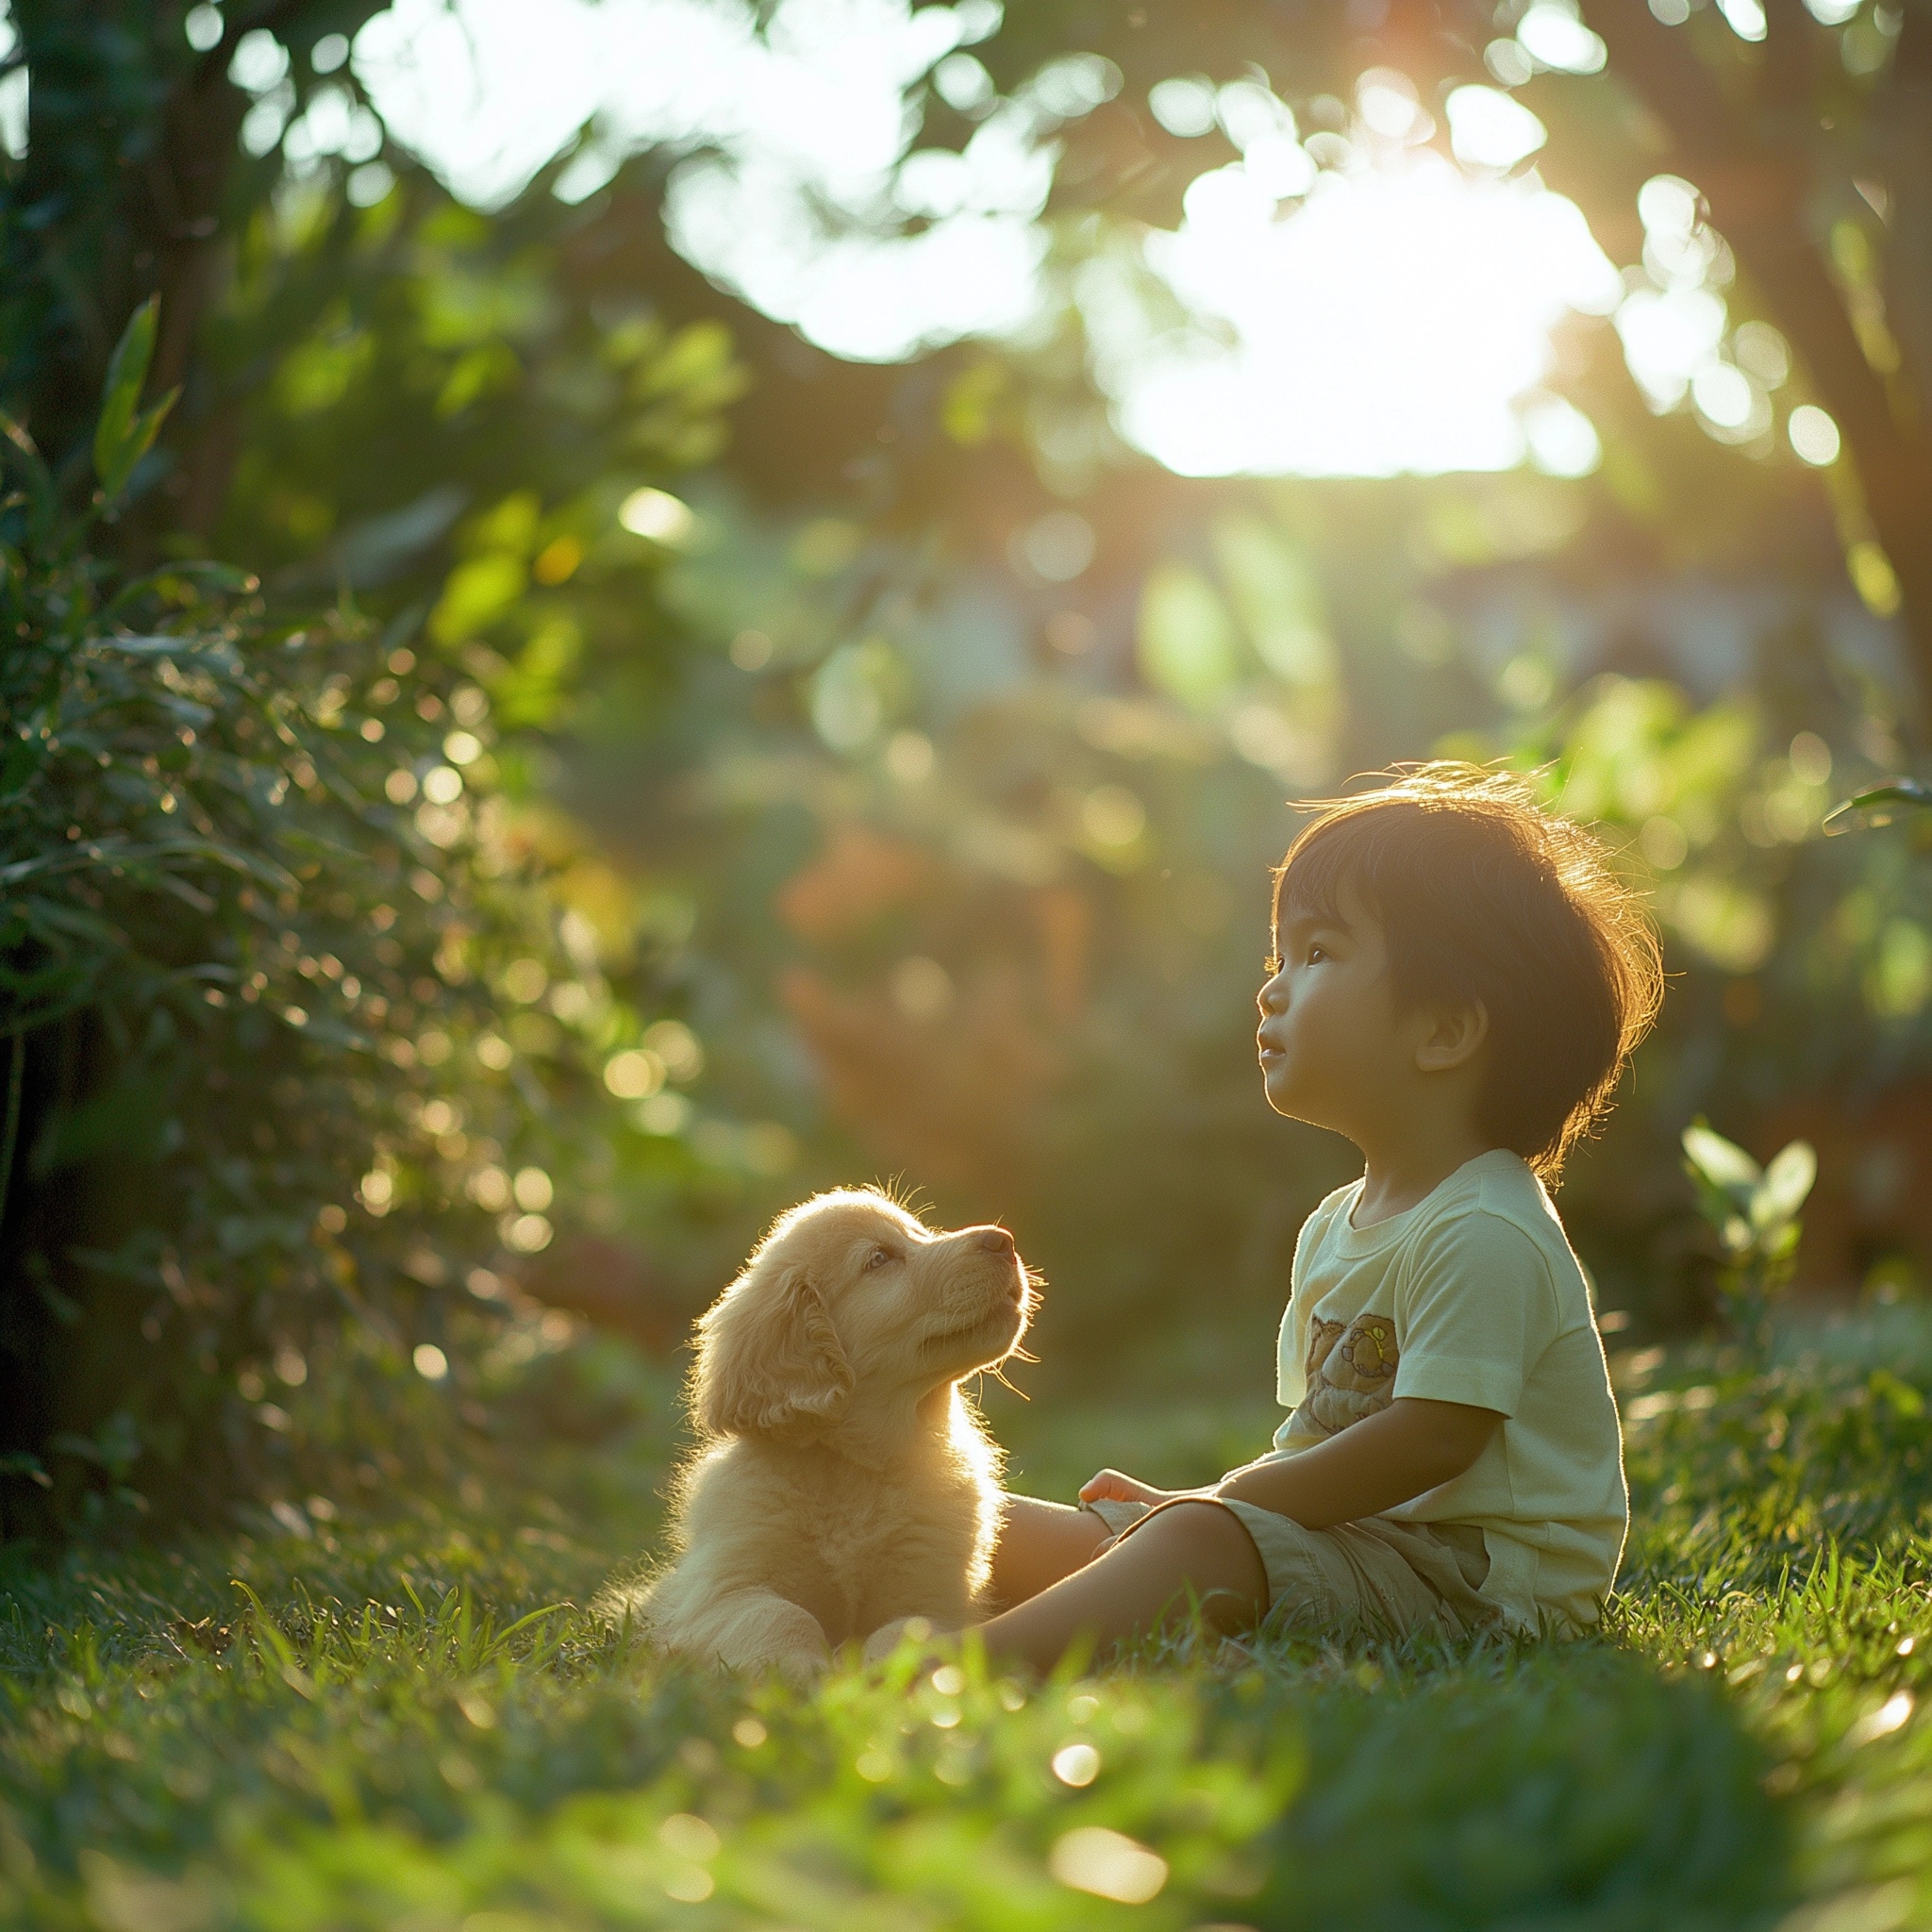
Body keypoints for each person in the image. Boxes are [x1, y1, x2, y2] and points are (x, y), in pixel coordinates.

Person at [970, 762, 1664, 1673]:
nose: (1272, 989)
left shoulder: (1484, 1227)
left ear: (1444, 1031)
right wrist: (1208, 1508)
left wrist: (1216, 1509)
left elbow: (1430, 1438)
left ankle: (960, 1661)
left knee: (1186, 1551)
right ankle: (839, 1595)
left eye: (1320, 953)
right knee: (994, 1517)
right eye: (1278, 958)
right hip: (1357, 1548)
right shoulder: (1338, 1225)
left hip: (1475, 1588)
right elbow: (1323, 1451)